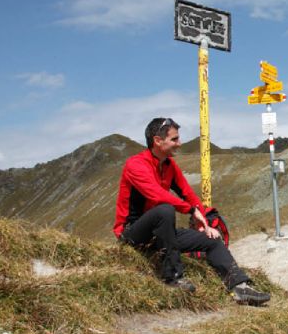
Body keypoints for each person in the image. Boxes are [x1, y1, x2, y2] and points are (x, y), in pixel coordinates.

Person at [114, 117, 271, 306]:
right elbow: (156, 195)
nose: (179, 144)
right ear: (157, 141)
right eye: (174, 139)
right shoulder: (136, 165)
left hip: (160, 233)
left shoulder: (169, 165)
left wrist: (204, 222)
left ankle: (239, 287)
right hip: (132, 233)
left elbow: (187, 193)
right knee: (164, 210)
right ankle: (173, 279)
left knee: (212, 239)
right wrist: (190, 210)